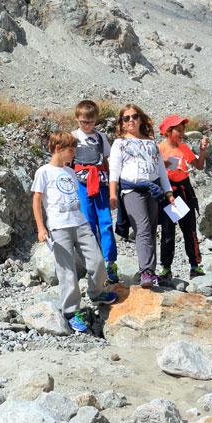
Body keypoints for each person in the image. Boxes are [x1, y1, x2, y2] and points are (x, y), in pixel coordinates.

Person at [31, 132, 116, 334]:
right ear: (58, 149)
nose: (74, 154)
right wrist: (41, 228)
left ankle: (96, 293)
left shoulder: (70, 172)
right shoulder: (43, 172)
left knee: (96, 260)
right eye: (71, 150)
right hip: (59, 227)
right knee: (67, 271)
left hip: (80, 223)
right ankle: (70, 312)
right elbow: (36, 200)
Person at [109, 104, 175, 288]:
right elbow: (114, 170)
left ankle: (148, 272)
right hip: (132, 190)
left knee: (152, 229)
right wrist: (113, 193)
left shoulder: (151, 142)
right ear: (121, 123)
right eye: (126, 118)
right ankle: (146, 270)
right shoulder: (120, 143)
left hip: (153, 189)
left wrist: (168, 192)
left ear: (140, 119)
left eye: (135, 116)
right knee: (143, 227)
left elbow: (161, 170)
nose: (131, 120)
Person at [72, 100, 119, 283]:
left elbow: (108, 161)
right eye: (83, 121)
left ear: (96, 120)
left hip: (101, 185)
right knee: (89, 225)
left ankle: (111, 262)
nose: (87, 125)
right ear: (77, 118)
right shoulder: (73, 136)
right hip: (81, 185)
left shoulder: (101, 137)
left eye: (90, 122)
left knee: (106, 223)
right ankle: (94, 264)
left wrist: (113, 186)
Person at [157, 114, 206, 280]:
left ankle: (194, 265)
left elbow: (199, 166)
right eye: (178, 129)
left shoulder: (184, 148)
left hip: (185, 191)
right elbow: (156, 171)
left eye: (182, 129)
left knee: (189, 229)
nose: (182, 132)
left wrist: (203, 151)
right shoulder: (160, 149)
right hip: (169, 191)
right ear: (168, 131)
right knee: (168, 231)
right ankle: (166, 268)